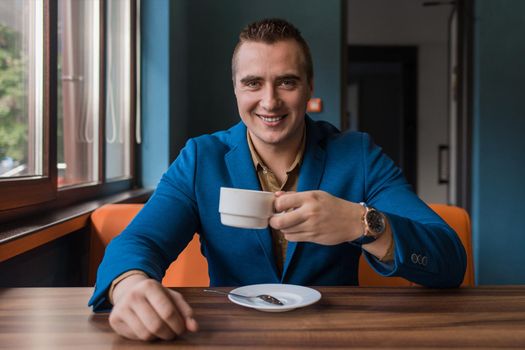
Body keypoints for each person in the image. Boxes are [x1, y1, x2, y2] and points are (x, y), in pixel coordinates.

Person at [89, 18, 466, 341]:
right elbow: (140, 241)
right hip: (229, 336)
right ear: (235, 87)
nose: (269, 101)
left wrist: (361, 222)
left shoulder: (358, 156)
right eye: (253, 83)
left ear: (309, 86)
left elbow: (448, 261)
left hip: (336, 338)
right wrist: (130, 285)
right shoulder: (201, 158)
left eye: (286, 82)